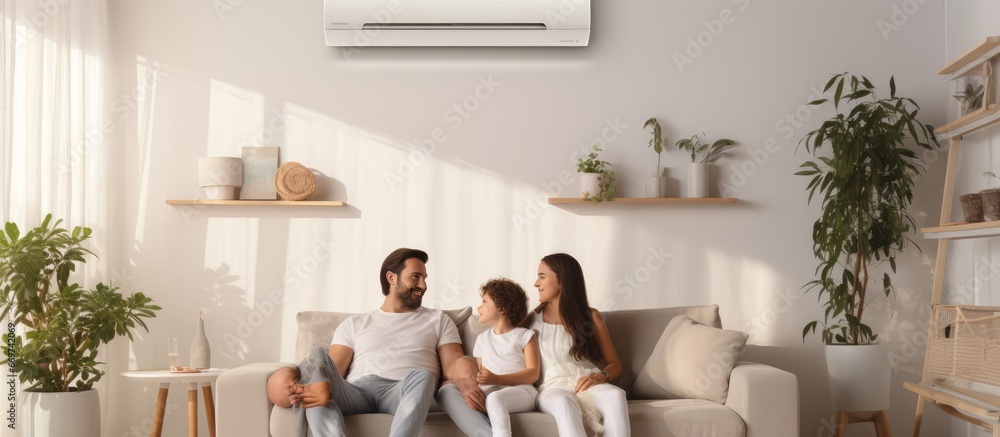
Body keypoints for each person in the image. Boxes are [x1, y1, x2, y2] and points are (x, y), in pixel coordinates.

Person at [270, 248, 485, 437]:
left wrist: (467, 376)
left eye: (425, 278)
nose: (423, 285)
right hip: (357, 392)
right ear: (392, 278)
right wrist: (292, 379)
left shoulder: (437, 320)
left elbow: (453, 363)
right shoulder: (355, 323)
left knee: (424, 375)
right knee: (317, 377)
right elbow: (331, 370)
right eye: (415, 277)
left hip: (402, 390)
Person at [528, 253, 630, 436]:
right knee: (564, 402)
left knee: (615, 395)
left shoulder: (591, 317)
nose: (536, 283)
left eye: (542, 276)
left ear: (562, 279)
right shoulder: (530, 321)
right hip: (552, 388)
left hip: (588, 383)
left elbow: (615, 365)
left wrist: (600, 376)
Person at [439, 278, 540, 437]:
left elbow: (533, 374)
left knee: (494, 399)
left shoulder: (525, 336)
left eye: (484, 301)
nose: (479, 307)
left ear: (502, 308)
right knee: (445, 391)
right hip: (492, 392)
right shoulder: (482, 339)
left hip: (522, 391)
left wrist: (497, 379)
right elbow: (483, 374)